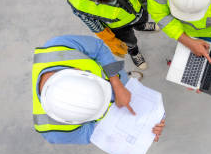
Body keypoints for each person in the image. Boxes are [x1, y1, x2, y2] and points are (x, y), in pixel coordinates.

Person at [32, 35, 164, 144]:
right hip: (114, 110)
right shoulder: (53, 133)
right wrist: (142, 132)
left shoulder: (59, 46)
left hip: (114, 79)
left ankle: (126, 79)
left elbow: (99, 49)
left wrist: (117, 83)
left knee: (123, 78)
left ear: (77, 71)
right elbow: (97, 134)